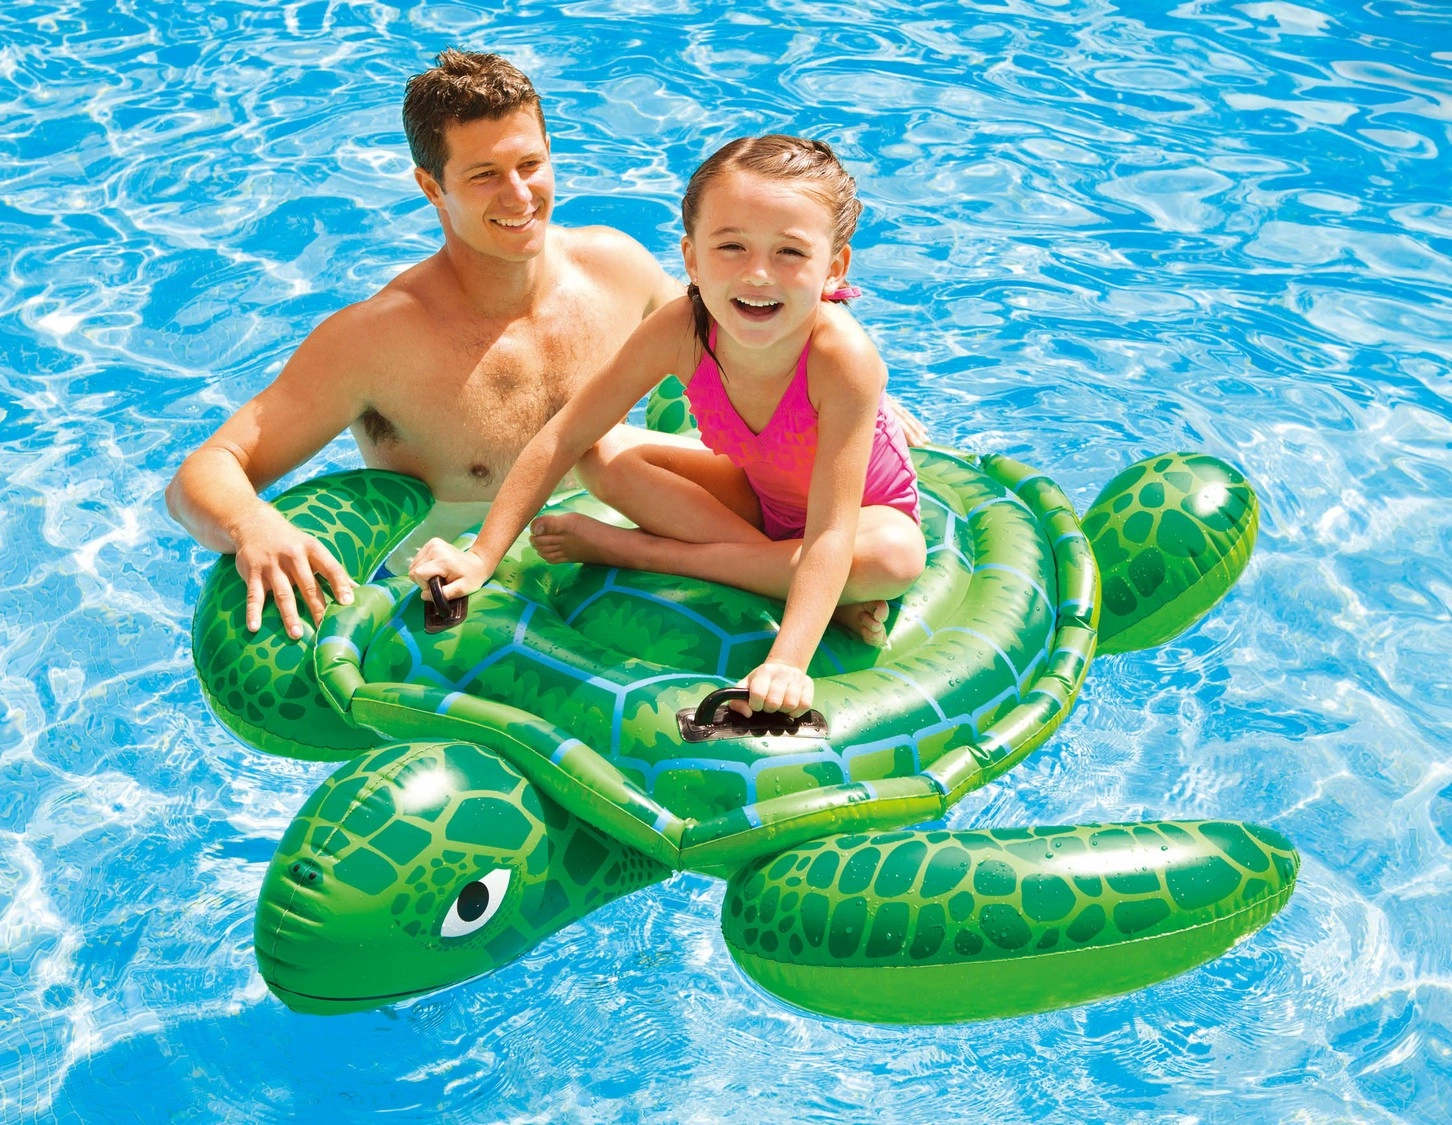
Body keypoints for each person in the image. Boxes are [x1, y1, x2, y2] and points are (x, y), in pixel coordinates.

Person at [165, 50, 680, 639]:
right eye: (484, 175)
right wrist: (253, 526)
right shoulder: (376, 342)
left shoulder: (617, 269)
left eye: (530, 164)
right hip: (464, 620)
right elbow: (201, 473)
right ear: (432, 187)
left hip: (617, 565)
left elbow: (728, 343)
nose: (519, 196)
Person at [409, 135, 928, 719]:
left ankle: (642, 552)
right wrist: (481, 556)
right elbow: (567, 434)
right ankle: (788, 577)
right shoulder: (683, 328)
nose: (758, 274)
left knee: (895, 558)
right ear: (691, 259)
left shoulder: (842, 360)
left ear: (833, 268)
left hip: (860, 516)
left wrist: (787, 661)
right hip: (759, 501)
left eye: (790, 252)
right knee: (603, 453)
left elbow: (832, 531)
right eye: (730, 246)